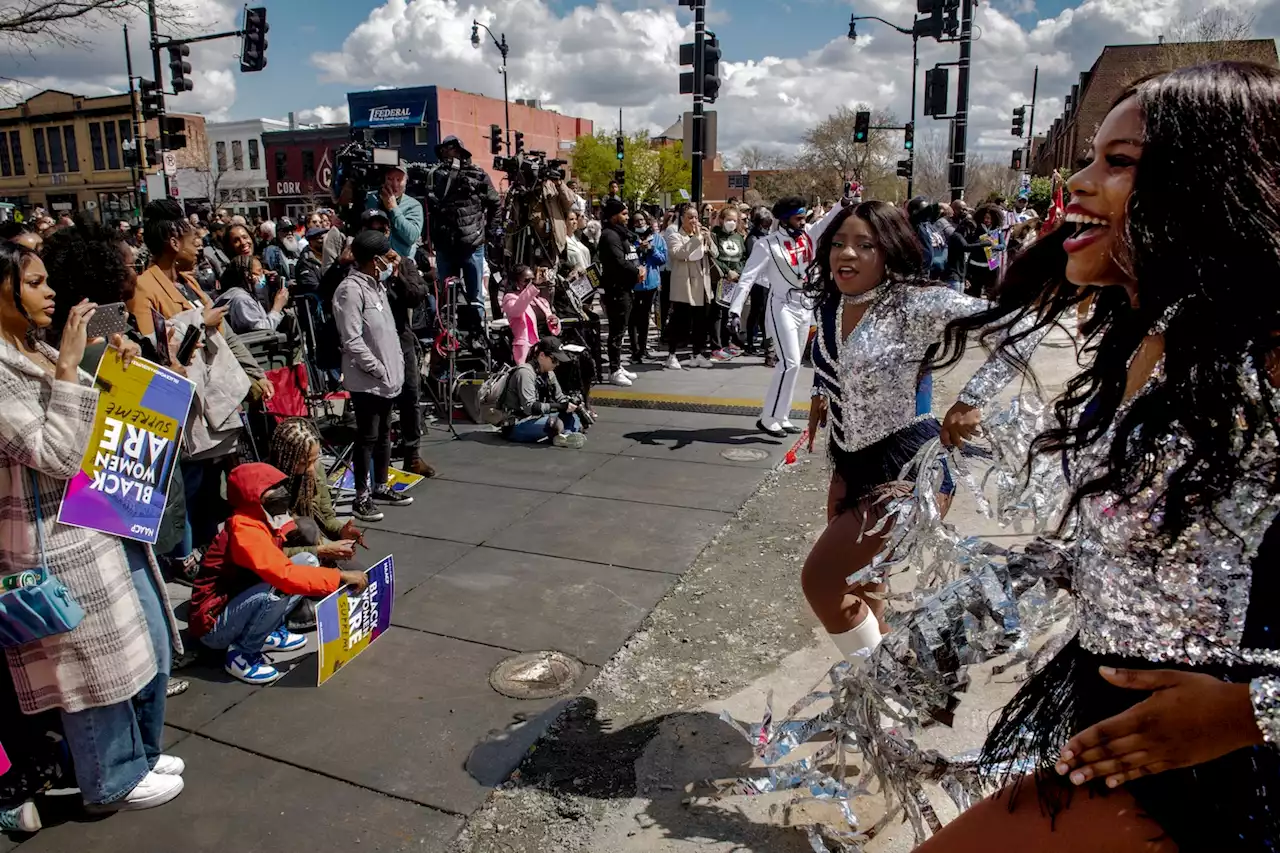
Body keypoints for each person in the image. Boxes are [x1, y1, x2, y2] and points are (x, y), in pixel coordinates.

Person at [910, 60, 1280, 852]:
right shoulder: (1153, 332)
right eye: (1087, 157)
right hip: (1112, 733)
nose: (1073, 183)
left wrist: (1252, 711)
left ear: (1212, 184)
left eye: (1118, 163)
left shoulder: (1272, 350)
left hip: (1216, 782)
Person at [0, 242, 186, 812]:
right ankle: (110, 778)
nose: (50, 291)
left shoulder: (33, 346)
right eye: (35, 282)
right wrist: (67, 368)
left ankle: (140, 752)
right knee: (87, 669)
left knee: (147, 643)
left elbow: (84, 420)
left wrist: (111, 369)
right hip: (51, 539)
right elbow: (54, 451)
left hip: (98, 514)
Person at [800, 200, 1019, 669]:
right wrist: (824, 390)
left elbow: (1019, 326)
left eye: (865, 245)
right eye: (839, 243)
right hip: (848, 459)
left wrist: (972, 398)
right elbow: (836, 361)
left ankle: (887, 686)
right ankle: (886, 708)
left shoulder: (915, 302)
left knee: (820, 580)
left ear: (890, 251)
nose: (848, 254)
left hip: (906, 466)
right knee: (863, 580)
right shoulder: (834, 300)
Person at [189, 463, 368, 685]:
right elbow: (282, 574)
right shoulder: (243, 528)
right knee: (277, 590)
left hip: (240, 599)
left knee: (308, 562)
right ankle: (241, 655)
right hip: (213, 625)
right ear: (252, 495)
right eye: (270, 488)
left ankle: (266, 631)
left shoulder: (265, 517)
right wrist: (339, 578)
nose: (280, 491)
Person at [728, 196, 843, 437]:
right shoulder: (767, 245)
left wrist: (845, 200)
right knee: (788, 362)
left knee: (794, 365)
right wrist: (735, 310)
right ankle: (768, 418)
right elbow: (747, 278)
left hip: (804, 306)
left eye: (803, 218)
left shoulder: (810, 234)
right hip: (781, 306)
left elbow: (830, 219)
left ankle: (782, 415)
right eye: (798, 218)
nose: (803, 222)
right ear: (784, 219)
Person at [332, 229, 411, 523]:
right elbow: (352, 340)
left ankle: (380, 485)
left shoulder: (376, 285)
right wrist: (377, 369)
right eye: (386, 256)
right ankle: (361, 496)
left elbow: (385, 330)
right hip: (367, 380)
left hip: (389, 378)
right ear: (374, 260)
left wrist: (395, 368)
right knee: (367, 436)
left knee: (384, 436)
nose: (391, 260)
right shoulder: (349, 290)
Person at [360, 210, 434, 477]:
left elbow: (416, 295)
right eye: (371, 229)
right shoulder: (358, 268)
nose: (378, 234)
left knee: (410, 396)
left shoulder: (403, 263)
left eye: (382, 229)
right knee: (379, 403)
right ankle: (381, 461)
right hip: (371, 342)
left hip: (400, 337)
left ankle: (413, 454)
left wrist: (395, 274)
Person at [426, 136, 499, 320]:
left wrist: (487, 233)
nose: (447, 153)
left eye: (451, 149)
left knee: (475, 299)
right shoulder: (435, 176)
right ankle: (448, 337)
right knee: (446, 299)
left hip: (472, 245)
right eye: (444, 149)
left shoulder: (477, 174)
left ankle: (478, 336)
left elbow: (496, 203)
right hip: (444, 245)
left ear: (460, 151)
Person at [497, 335, 586, 448]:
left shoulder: (549, 373)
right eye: (554, 359)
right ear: (542, 355)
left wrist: (572, 404)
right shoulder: (525, 373)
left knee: (573, 416)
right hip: (517, 423)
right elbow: (530, 407)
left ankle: (564, 436)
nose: (557, 364)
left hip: (538, 418)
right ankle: (565, 433)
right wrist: (560, 406)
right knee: (554, 423)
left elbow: (560, 398)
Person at [665, 203, 719, 371]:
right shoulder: (676, 236)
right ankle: (671, 355)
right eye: (690, 217)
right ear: (682, 219)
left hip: (702, 284)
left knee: (700, 322)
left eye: (695, 217)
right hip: (685, 285)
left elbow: (715, 254)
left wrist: (708, 238)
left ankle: (698, 353)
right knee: (679, 321)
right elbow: (678, 254)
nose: (694, 221)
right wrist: (696, 239)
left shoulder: (701, 235)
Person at [597, 198, 641, 387]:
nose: (627, 217)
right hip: (616, 290)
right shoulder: (609, 236)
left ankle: (618, 364)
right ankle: (613, 370)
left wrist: (640, 268)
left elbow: (630, 256)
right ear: (614, 216)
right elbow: (618, 262)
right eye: (623, 214)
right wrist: (636, 271)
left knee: (621, 330)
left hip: (626, 289)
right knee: (616, 331)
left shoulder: (622, 235)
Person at [708, 205, 747, 360]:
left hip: (734, 280)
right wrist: (726, 271)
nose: (731, 222)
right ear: (722, 220)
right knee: (716, 314)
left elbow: (743, 257)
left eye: (734, 220)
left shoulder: (738, 238)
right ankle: (715, 347)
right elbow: (713, 256)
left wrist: (738, 271)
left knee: (728, 314)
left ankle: (726, 344)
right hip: (719, 279)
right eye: (728, 219)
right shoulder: (715, 235)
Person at [501, 265, 561, 365]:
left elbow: (551, 322)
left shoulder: (540, 301)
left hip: (547, 344)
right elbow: (517, 310)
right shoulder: (510, 298)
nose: (529, 283)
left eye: (532, 279)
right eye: (526, 280)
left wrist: (555, 322)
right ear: (516, 282)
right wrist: (533, 285)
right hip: (529, 348)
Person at [214, 254, 289, 334]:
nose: (262, 276)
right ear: (247, 276)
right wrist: (277, 307)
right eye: (259, 272)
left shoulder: (235, 293)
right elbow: (264, 331)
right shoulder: (242, 299)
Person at [363, 164, 423, 260]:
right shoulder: (371, 198)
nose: (394, 185)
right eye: (390, 179)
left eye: (399, 180)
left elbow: (412, 237)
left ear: (406, 182)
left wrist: (393, 208)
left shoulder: (413, 205)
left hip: (400, 261)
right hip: (373, 259)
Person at [631, 211, 666, 363]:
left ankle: (643, 348)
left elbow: (663, 259)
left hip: (650, 283)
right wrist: (638, 249)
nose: (640, 223)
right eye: (636, 221)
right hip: (634, 283)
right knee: (633, 318)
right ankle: (635, 350)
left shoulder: (657, 238)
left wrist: (651, 249)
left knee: (645, 316)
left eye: (642, 220)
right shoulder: (630, 238)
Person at [742, 207, 775, 363]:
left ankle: (764, 341)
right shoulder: (752, 238)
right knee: (757, 312)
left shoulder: (766, 236)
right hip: (758, 281)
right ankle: (750, 342)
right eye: (765, 223)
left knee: (764, 313)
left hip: (768, 281)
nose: (767, 226)